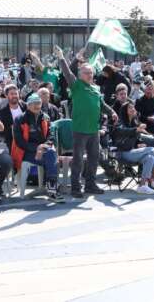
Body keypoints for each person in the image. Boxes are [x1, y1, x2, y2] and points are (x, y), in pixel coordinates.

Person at [55, 46, 118, 198]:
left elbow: (102, 105)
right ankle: (76, 188)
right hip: (80, 129)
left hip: (93, 130)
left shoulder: (96, 89)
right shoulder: (76, 85)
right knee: (78, 161)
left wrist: (112, 112)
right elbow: (67, 72)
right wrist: (62, 57)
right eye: (86, 73)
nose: (90, 75)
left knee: (93, 159)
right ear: (80, 75)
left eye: (91, 72)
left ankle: (90, 185)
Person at [12, 93, 66, 202]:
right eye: (34, 103)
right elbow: (19, 141)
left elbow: (51, 136)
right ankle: (52, 189)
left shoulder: (45, 117)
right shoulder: (20, 119)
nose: (37, 105)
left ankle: (51, 188)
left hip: (44, 150)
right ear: (28, 105)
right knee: (52, 157)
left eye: (39, 103)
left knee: (51, 154)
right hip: (26, 152)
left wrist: (44, 146)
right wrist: (36, 148)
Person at [112, 100, 154, 194]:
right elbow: (122, 131)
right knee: (152, 149)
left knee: (149, 157)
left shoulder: (134, 122)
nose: (133, 109)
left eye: (133, 107)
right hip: (123, 153)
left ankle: (143, 185)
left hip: (133, 152)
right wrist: (136, 129)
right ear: (124, 110)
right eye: (130, 107)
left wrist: (139, 144)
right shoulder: (120, 122)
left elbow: (137, 139)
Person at [0, 84, 26, 150]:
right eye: (12, 94)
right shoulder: (3, 112)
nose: (14, 96)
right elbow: (1, 131)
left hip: (28, 140)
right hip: (12, 143)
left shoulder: (26, 107)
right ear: (6, 96)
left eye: (16, 93)